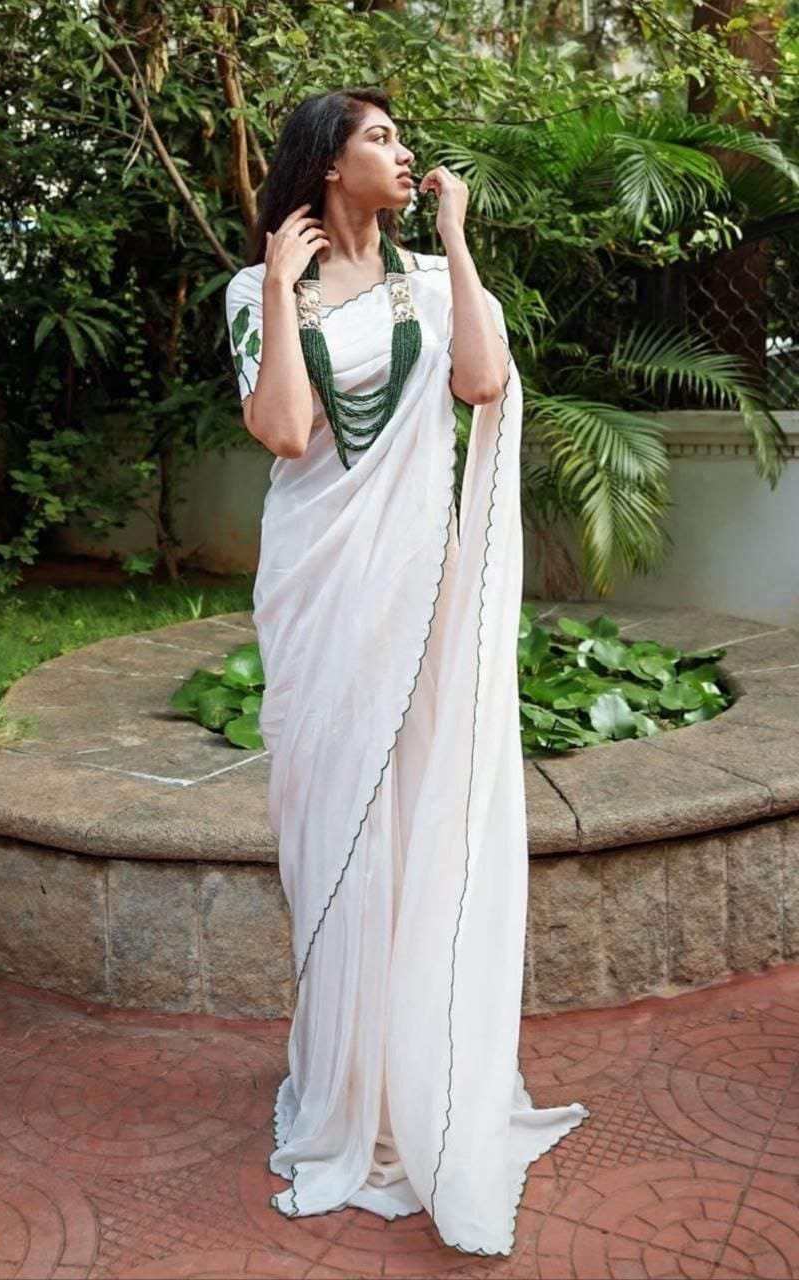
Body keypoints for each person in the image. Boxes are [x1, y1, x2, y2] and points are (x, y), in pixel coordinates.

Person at [224, 86, 589, 1258]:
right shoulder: (257, 291)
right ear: (329, 165)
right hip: (321, 588)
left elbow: (481, 383)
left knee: (415, 816)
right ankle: (345, 1085)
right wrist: (279, 288)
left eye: (397, 136)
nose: (399, 149)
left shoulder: (430, 284)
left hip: (417, 590)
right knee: (331, 822)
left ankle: (412, 1076)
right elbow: (286, 431)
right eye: (376, 137)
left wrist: (457, 240)